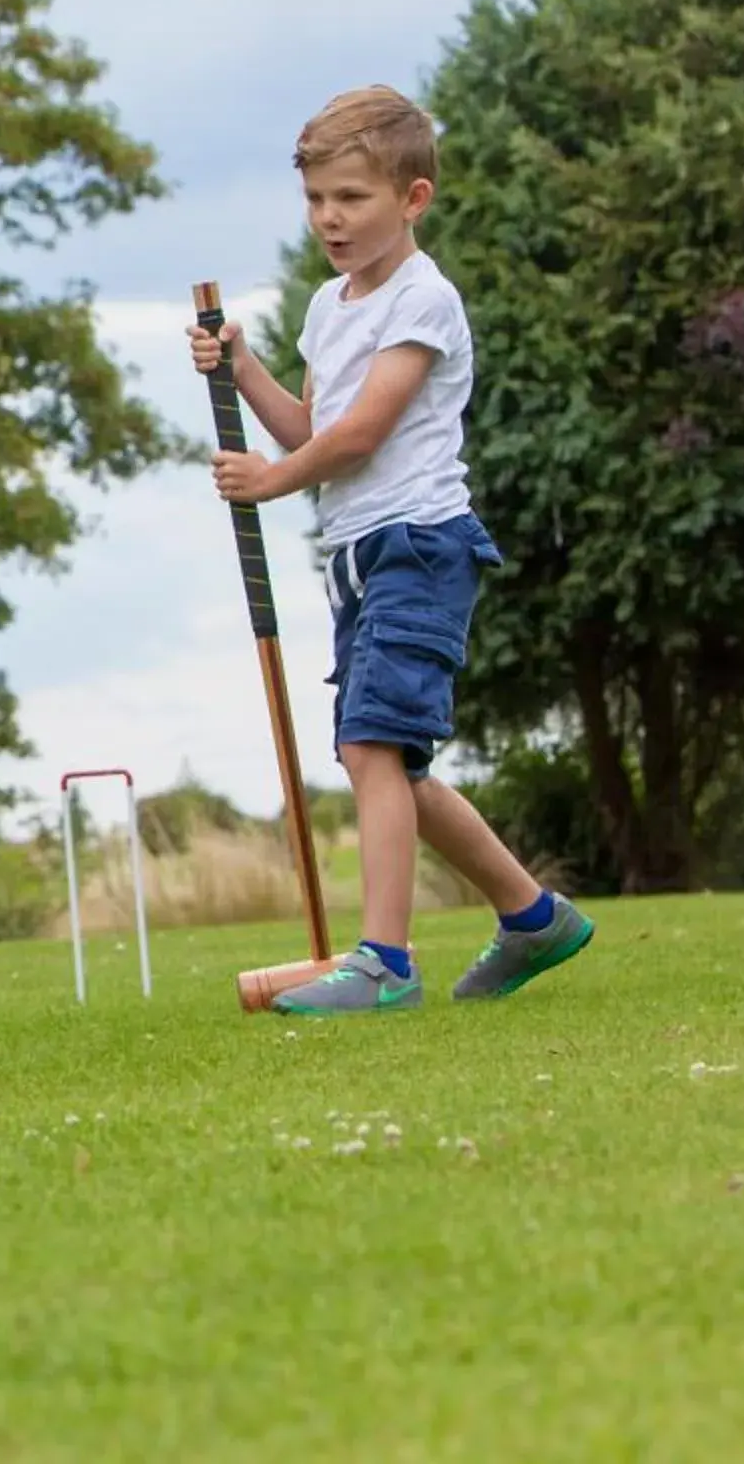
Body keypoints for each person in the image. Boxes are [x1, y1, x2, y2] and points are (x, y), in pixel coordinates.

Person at [190, 85, 594, 1015]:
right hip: (357, 555)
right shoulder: (330, 307)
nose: (329, 218)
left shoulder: (424, 300)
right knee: (392, 761)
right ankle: (533, 916)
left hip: (421, 544)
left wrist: (268, 483)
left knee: (372, 743)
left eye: (352, 198)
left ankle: (384, 964)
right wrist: (242, 366)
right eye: (317, 199)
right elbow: (310, 428)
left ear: (413, 199)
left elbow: (363, 435)